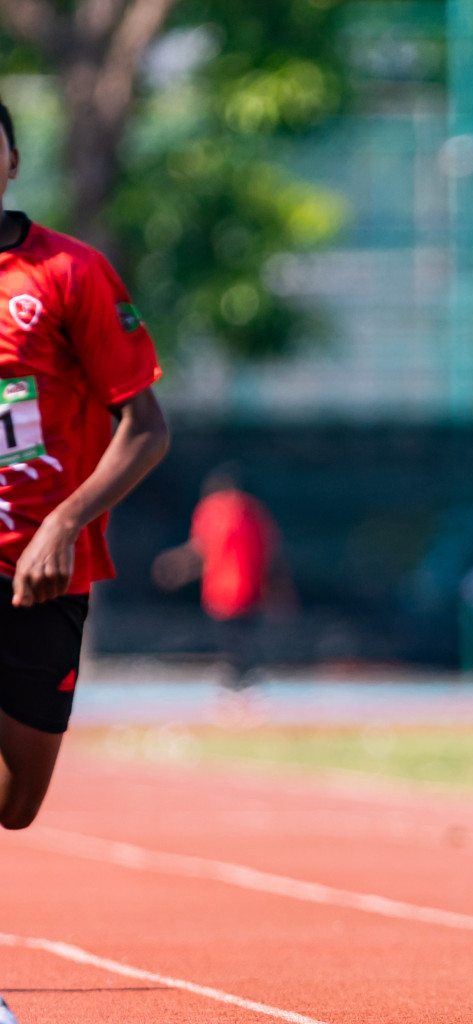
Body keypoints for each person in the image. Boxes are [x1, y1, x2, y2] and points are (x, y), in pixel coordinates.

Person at [0, 98, 169, 856]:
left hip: (40, 573)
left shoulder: (68, 272)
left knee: (17, 803)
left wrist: (63, 525)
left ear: (12, 160)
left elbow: (147, 429)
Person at [152, 466, 282, 688]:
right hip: (249, 587)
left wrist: (175, 564)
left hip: (221, 589)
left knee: (231, 641)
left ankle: (238, 682)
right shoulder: (252, 510)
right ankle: (245, 680)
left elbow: (200, 549)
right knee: (243, 640)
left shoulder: (210, 510)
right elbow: (270, 550)